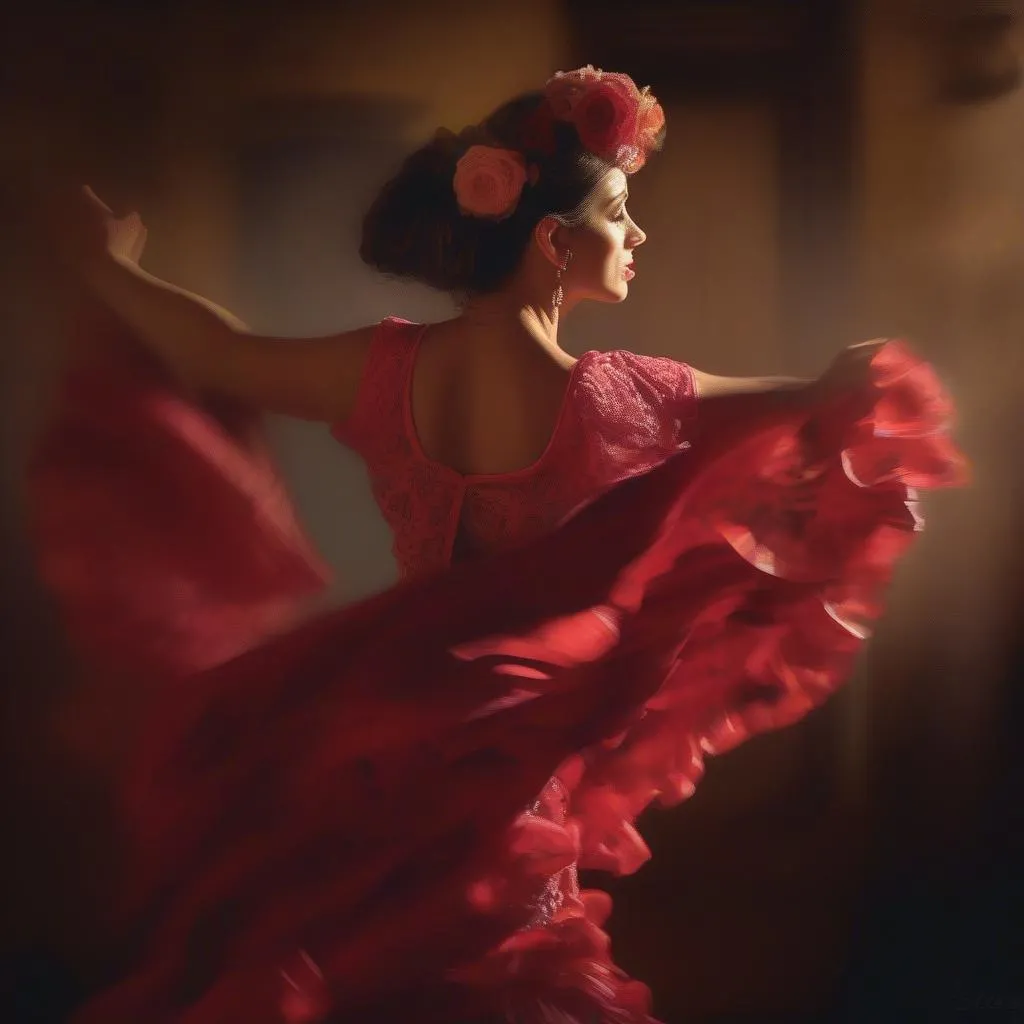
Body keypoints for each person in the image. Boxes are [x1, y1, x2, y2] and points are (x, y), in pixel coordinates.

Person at [28, 67, 966, 1023]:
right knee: (508, 976)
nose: (636, 235)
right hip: (511, 768)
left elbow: (215, 351)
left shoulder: (385, 370)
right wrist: (866, 371)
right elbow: (810, 405)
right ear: (554, 240)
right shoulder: (621, 397)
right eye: (618, 213)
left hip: (384, 731)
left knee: (381, 971)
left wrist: (112, 269)